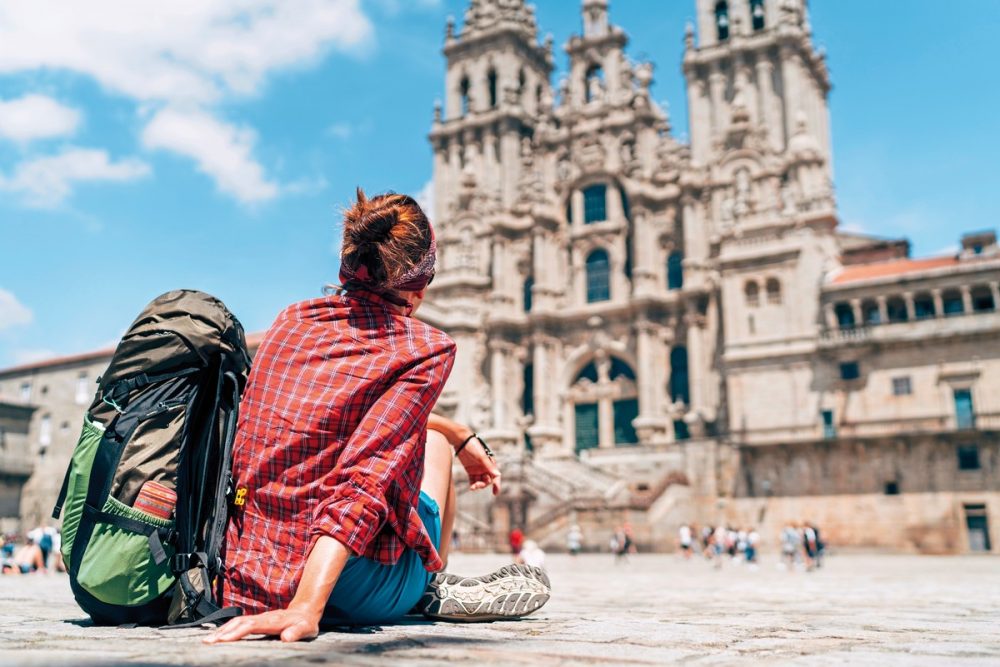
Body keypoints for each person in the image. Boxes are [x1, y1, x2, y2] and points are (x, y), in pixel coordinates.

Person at [207, 190, 549, 644]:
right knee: (436, 446)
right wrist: (306, 607)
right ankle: (428, 583)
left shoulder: (290, 320)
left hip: (246, 570)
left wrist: (455, 426)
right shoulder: (425, 348)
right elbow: (362, 481)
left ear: (346, 266)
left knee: (438, 436)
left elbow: (328, 426)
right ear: (419, 286)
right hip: (342, 589)